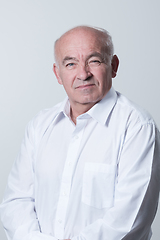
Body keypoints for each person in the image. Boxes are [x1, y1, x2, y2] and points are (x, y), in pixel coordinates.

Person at [0, 25, 160, 240]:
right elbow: (15, 202)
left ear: (113, 66)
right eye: (70, 64)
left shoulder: (137, 127)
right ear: (58, 73)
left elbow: (129, 221)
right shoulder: (40, 125)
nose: (83, 74)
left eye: (94, 61)